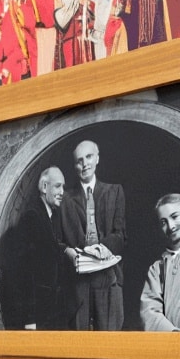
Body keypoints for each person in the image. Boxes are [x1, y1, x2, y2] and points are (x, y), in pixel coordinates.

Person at [60, 140, 125, 331]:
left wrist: (100, 248)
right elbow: (58, 239)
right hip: (78, 282)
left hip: (109, 278)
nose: (84, 164)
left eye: (88, 157)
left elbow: (121, 235)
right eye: (79, 161)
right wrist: (68, 252)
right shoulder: (64, 199)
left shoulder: (115, 191)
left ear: (97, 158)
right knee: (80, 345)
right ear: (74, 166)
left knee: (110, 345)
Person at [2, 167, 67, 329]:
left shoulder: (50, 216)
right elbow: (23, 271)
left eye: (63, 187)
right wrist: (30, 319)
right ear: (44, 187)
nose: (62, 192)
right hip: (38, 314)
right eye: (58, 186)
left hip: (50, 310)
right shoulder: (32, 217)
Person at [140, 194, 180, 330]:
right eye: (163, 222)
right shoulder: (157, 269)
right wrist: (173, 335)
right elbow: (149, 312)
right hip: (171, 344)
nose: (171, 226)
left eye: (175, 216)